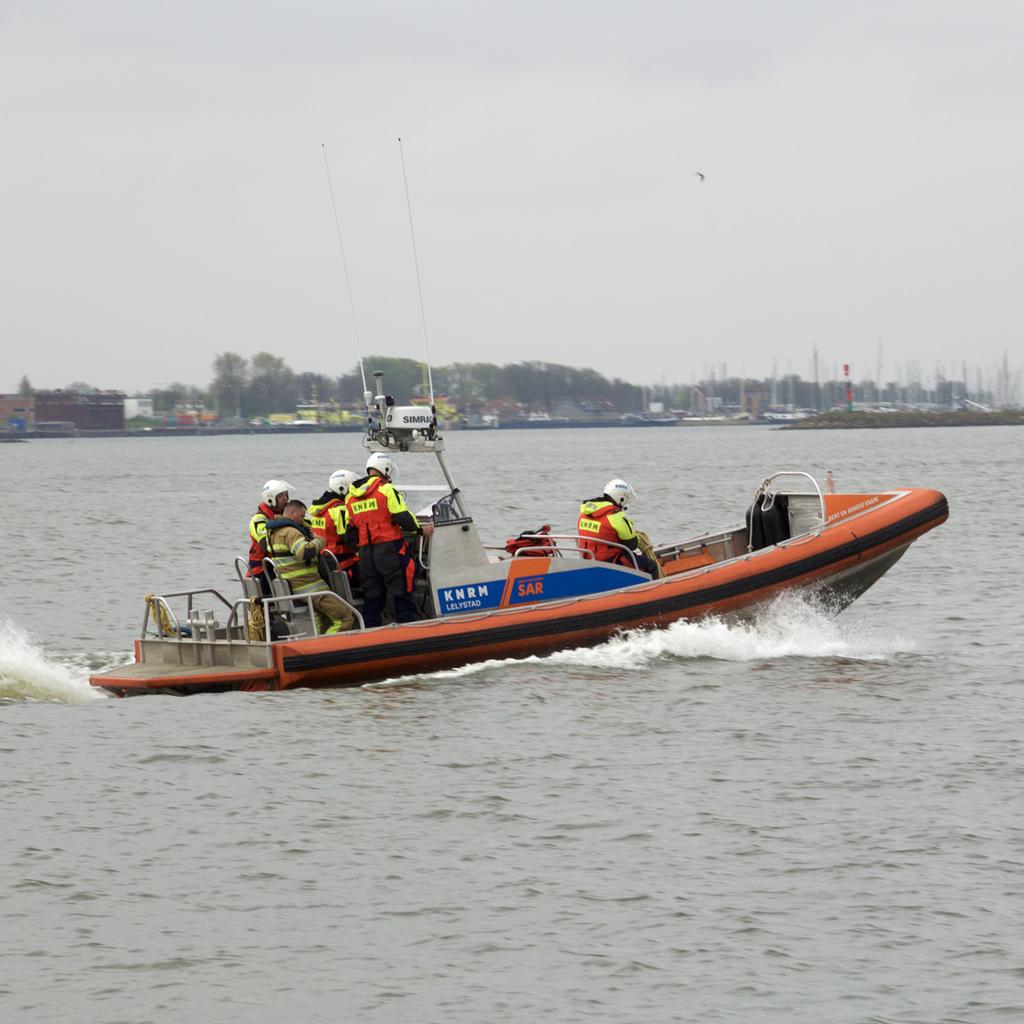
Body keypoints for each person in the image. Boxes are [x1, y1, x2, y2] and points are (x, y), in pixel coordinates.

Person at [345, 452, 434, 627]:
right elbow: (403, 517)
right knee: (403, 594)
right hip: (390, 552)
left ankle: (373, 635)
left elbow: (350, 532)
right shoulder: (386, 490)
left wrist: (361, 551)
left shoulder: (350, 497)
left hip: (366, 555)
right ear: (385, 469)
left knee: (373, 599)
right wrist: (420, 530)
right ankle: (407, 634)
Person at [265, 500, 355, 635]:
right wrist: (319, 541)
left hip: (294, 585)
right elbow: (304, 552)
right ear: (292, 513)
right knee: (345, 616)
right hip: (308, 586)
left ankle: (318, 642)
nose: (303, 519)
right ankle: (327, 647)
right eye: (301, 516)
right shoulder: (290, 532)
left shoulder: (272, 532)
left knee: (324, 618)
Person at [577, 478, 657, 575]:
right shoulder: (615, 516)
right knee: (651, 565)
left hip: (589, 561)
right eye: (626, 499)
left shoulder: (584, 514)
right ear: (621, 498)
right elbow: (632, 544)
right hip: (611, 563)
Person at [307, 469, 360, 587]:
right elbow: (347, 537)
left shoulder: (316, 510)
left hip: (324, 560)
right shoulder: (339, 509)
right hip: (342, 561)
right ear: (343, 488)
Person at [248, 479, 294, 594]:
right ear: (270, 499)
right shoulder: (258, 519)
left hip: (279, 569)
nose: (285, 498)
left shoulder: (288, 514)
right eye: (280, 496)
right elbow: (266, 544)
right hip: (262, 573)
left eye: (286, 494)